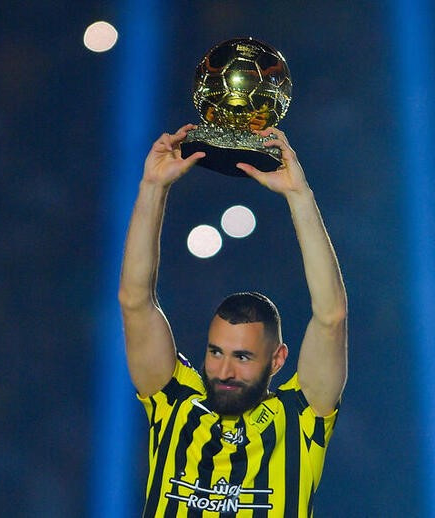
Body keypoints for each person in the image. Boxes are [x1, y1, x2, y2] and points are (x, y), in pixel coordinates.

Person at [119, 123, 348, 517]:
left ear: (277, 360)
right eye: (215, 352)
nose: (223, 370)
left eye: (242, 357)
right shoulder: (175, 403)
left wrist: (299, 195)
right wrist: (152, 188)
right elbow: (135, 301)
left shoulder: (298, 419)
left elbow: (331, 317)